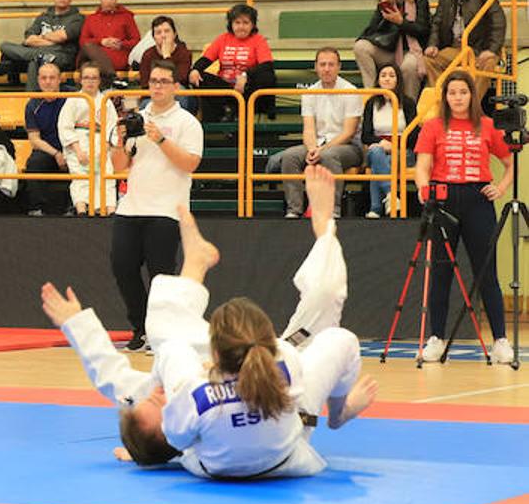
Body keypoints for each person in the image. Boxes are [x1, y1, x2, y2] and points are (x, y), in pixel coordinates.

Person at [43, 171, 375, 478]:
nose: (158, 392)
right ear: (180, 438)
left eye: (150, 397)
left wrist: (77, 325)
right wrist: (152, 457)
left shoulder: (170, 395)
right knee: (326, 301)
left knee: (163, 328)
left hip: (238, 354)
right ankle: (324, 227)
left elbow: (109, 374)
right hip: (285, 380)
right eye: (161, 404)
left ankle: (196, 261)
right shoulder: (192, 413)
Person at [414, 70, 515, 365]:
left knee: (486, 272)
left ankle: (500, 340)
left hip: (478, 202)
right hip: (443, 201)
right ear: (445, 97)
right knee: (441, 272)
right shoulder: (432, 126)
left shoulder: (487, 126)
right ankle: (436, 338)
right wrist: (424, 188)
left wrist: (501, 187)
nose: (457, 98)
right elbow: (423, 165)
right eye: (452, 93)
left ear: (472, 95)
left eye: (463, 92)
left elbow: (510, 164)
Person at [108, 60, 203, 352]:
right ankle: (139, 328)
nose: (158, 86)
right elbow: (119, 167)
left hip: (166, 210)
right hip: (131, 207)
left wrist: (160, 139)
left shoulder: (187, 122)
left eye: (164, 81)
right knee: (122, 267)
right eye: (153, 81)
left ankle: (160, 334)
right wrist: (120, 140)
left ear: (176, 86)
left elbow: (191, 164)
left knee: (162, 277)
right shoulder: (137, 118)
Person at [276, 47, 362, 220]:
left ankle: (333, 210)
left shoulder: (350, 91)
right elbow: (308, 129)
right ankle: (294, 209)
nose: (327, 69)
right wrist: (312, 148)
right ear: (316, 67)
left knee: (329, 156)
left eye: (331, 64)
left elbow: (348, 132)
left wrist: (321, 151)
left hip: (348, 147)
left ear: (339, 67)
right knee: (290, 156)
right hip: (318, 143)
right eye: (322, 64)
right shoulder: (310, 93)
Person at [423, 0, 504, 101]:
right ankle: (442, 103)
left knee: (489, 63)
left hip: (478, 49)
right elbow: (437, 22)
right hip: (455, 48)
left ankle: (472, 106)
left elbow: (498, 23)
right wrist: (433, 45)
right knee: (429, 60)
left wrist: (491, 50)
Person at [189, 2, 277, 121]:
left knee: (267, 75)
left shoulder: (258, 40)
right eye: (237, 23)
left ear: (253, 25)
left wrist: (246, 76)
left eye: (246, 23)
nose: (241, 27)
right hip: (225, 88)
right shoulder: (223, 39)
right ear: (231, 24)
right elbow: (206, 59)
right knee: (200, 77)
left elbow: (267, 66)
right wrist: (195, 70)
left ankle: (234, 113)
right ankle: (223, 114)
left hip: (246, 89)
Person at [354, 0, 430, 99]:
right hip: (389, 49)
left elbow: (423, 30)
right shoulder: (385, 0)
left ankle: (408, 106)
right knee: (360, 47)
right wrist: (384, 4)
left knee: (409, 66)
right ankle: (372, 95)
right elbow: (372, 30)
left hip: (411, 50)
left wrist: (401, 22)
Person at [0, 0, 85, 90]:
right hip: (43, 53)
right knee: (5, 46)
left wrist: (42, 37)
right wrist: (52, 40)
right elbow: (29, 39)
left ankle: (31, 99)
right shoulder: (43, 17)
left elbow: (62, 37)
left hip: (61, 56)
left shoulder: (77, 18)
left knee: (34, 61)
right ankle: (36, 58)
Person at [58, 60, 119, 215]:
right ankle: (82, 209)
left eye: (94, 78)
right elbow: (65, 127)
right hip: (78, 142)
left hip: (101, 141)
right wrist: (78, 151)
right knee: (81, 176)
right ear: (81, 79)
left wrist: (106, 147)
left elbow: (112, 126)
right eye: (86, 78)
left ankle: (109, 209)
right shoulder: (73, 100)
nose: (90, 81)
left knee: (106, 173)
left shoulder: (106, 101)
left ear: (99, 80)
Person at [361, 63, 418, 219]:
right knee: (376, 153)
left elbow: (414, 134)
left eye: (392, 76)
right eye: (383, 75)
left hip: (403, 151)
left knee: (376, 163)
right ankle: (391, 195)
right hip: (379, 148)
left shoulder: (407, 103)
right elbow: (365, 135)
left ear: (398, 80)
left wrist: (395, 145)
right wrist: (381, 143)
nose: (387, 79)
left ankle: (376, 207)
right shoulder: (371, 103)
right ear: (378, 80)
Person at [22, 62, 70, 217]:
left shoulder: (73, 98)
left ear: (59, 79)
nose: (48, 81)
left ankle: (75, 208)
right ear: (38, 80)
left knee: (83, 161)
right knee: (34, 163)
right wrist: (56, 154)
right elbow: (34, 139)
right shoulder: (32, 104)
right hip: (48, 150)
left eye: (52, 77)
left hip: (72, 147)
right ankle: (36, 209)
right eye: (44, 78)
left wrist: (69, 151)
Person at [79, 0, 138, 82]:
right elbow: (83, 41)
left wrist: (121, 44)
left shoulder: (126, 17)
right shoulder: (91, 19)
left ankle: (111, 79)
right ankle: (112, 78)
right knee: (88, 47)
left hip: (118, 57)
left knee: (89, 51)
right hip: (95, 60)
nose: (109, 1)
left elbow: (136, 40)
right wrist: (101, 42)